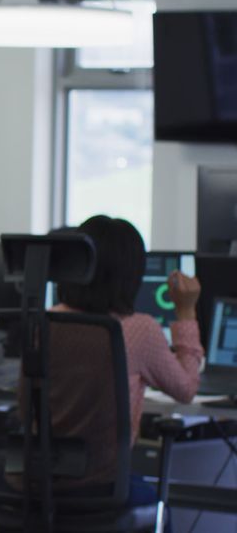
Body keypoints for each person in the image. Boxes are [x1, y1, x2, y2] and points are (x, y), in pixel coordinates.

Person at [53, 215, 201, 516]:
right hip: (101, 484)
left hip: (35, 482)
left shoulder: (49, 319)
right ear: (132, 274)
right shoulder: (138, 330)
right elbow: (186, 389)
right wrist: (185, 312)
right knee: (161, 507)